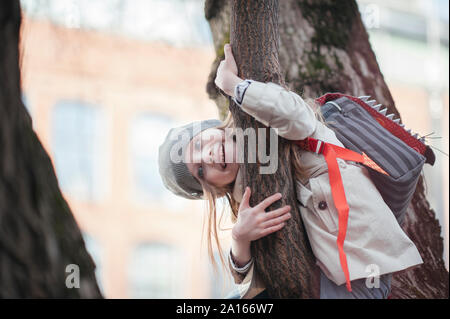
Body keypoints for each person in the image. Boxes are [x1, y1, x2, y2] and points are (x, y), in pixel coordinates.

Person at [158, 43, 423, 299]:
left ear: (213, 128)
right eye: (201, 171)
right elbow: (255, 288)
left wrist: (236, 87)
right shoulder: (248, 202)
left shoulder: (281, 131)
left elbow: (293, 114)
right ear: (212, 189)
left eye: (201, 143)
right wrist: (241, 240)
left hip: (361, 275)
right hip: (324, 280)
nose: (209, 156)